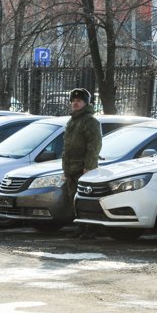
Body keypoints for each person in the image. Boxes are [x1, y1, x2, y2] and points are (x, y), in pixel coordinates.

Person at [63, 88, 102, 239]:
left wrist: (89, 167)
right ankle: (80, 226)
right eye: (73, 101)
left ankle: (90, 229)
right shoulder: (72, 121)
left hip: (83, 168)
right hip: (71, 168)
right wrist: (65, 169)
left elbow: (95, 145)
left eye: (78, 101)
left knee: (85, 200)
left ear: (86, 103)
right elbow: (67, 147)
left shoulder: (90, 121)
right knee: (74, 200)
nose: (75, 103)